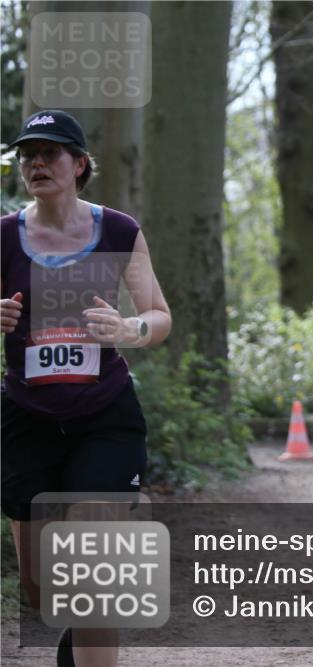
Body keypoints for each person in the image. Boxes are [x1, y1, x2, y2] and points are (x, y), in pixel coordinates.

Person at [1, 109, 172, 666]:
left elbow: (159, 316)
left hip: (104, 415)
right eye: (28, 155)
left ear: (78, 164)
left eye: (49, 153)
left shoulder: (118, 231)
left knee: (92, 567)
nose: (36, 163)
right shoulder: (3, 236)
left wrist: (129, 329)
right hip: (27, 416)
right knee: (41, 591)